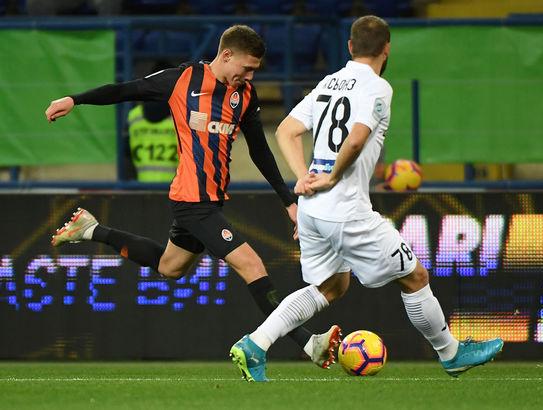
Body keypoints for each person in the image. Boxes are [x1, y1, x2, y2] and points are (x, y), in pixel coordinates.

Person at [45, 25, 341, 368]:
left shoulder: (245, 95)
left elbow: (260, 150)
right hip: (191, 201)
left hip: (211, 201)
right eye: (246, 68)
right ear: (226, 55)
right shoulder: (182, 80)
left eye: (255, 71)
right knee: (252, 265)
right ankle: (308, 343)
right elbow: (125, 90)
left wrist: (287, 201)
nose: (249, 76)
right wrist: (75, 99)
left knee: (170, 267)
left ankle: (92, 229)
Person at [228, 16, 503, 382]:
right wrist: (332, 176)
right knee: (415, 276)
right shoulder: (377, 87)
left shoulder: (329, 81)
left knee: (331, 287)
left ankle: (255, 344)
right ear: (386, 49)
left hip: (312, 210)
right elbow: (356, 139)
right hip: (346, 210)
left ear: (349, 46)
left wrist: (303, 177)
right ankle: (451, 354)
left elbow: (286, 130)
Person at [127, 62, 178, 183]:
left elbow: (126, 155)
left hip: (140, 186)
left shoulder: (134, 115)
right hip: (175, 187)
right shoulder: (181, 114)